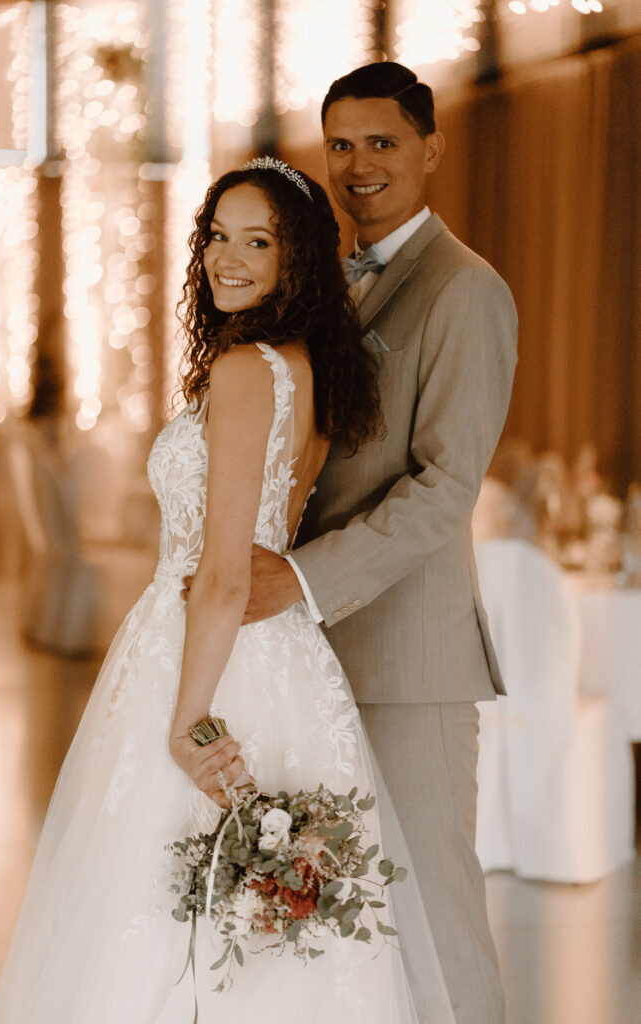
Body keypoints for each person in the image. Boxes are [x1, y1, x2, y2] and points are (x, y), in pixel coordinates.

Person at [0, 160, 454, 1024]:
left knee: (166, 909)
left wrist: (188, 720)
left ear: (295, 259)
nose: (225, 258)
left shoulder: (245, 371)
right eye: (216, 236)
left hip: (208, 655)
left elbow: (226, 571)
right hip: (285, 663)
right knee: (268, 940)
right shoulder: (308, 369)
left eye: (257, 241)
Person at [223, 63, 519, 1024]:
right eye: (340, 145)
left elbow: (445, 489)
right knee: (332, 918)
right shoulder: (319, 287)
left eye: (382, 142)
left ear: (431, 148)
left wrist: (300, 579)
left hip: (407, 659)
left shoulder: (464, 289)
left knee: (432, 913)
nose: (358, 164)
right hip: (301, 659)